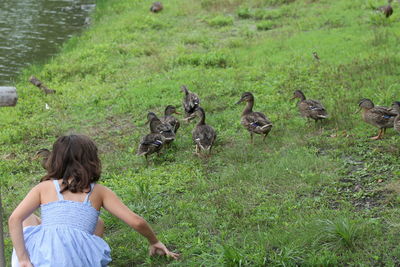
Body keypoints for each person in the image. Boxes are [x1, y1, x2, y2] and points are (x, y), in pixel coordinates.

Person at [9, 134, 179, 267]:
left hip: (42, 260)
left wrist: (23, 259)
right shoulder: (100, 192)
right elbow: (137, 222)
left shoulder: (44, 187)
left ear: (55, 160)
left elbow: (15, 219)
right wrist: (154, 241)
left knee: (28, 217)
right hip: (82, 260)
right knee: (97, 223)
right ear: (92, 160)